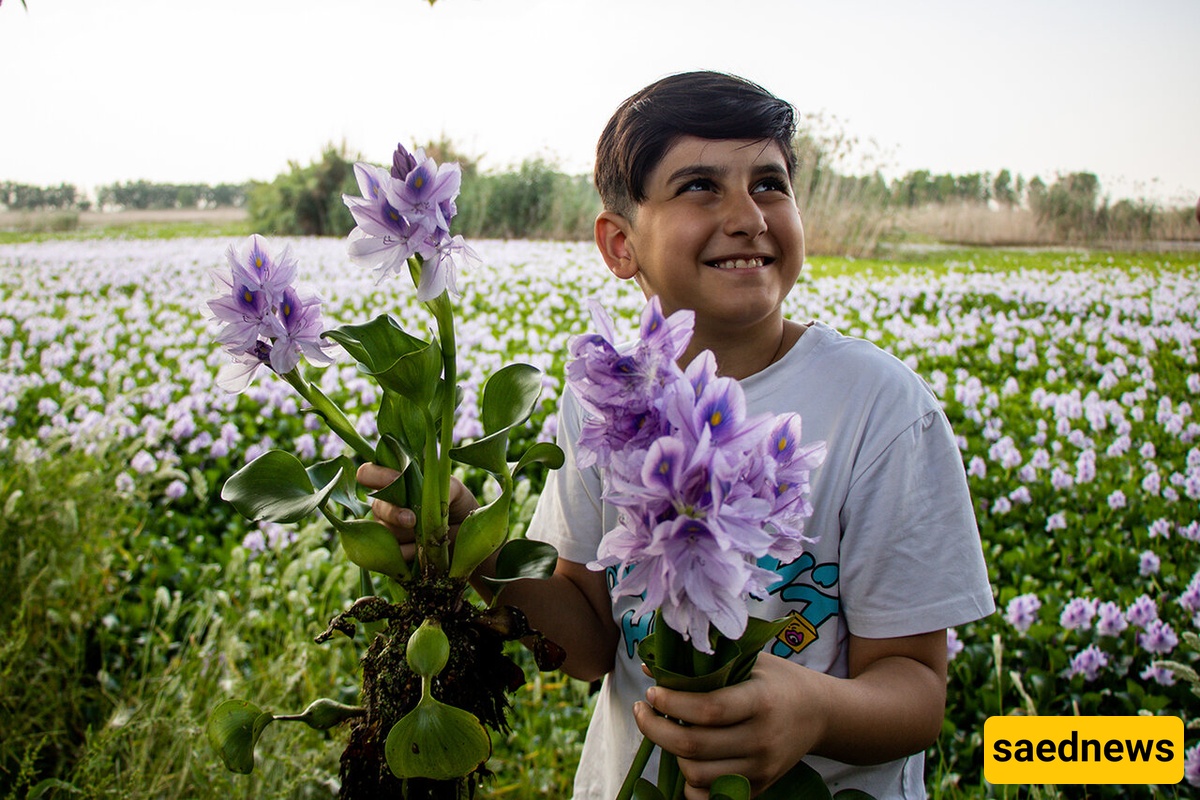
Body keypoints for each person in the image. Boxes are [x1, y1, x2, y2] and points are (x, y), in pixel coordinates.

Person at [358, 70, 994, 800]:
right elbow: (592, 640)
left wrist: (811, 711)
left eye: (769, 184)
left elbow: (917, 692)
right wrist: (474, 542)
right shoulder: (605, 392)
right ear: (619, 243)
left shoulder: (880, 408)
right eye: (700, 186)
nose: (748, 216)